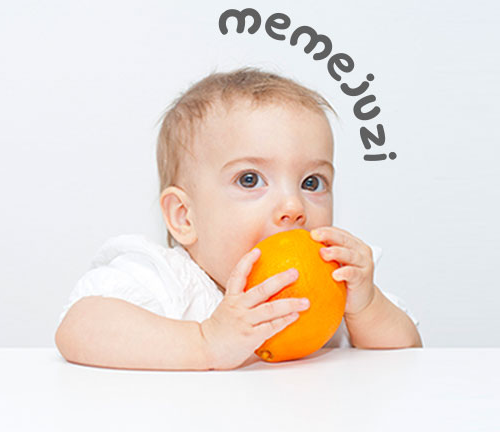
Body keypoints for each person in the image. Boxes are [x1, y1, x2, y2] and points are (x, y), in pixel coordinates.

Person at [54, 67, 422, 371]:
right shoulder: (169, 281)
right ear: (184, 217)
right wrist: (205, 343)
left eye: (311, 182)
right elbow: (81, 326)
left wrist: (366, 307)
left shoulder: (334, 287)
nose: (293, 205)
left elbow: (407, 355)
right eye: (250, 179)